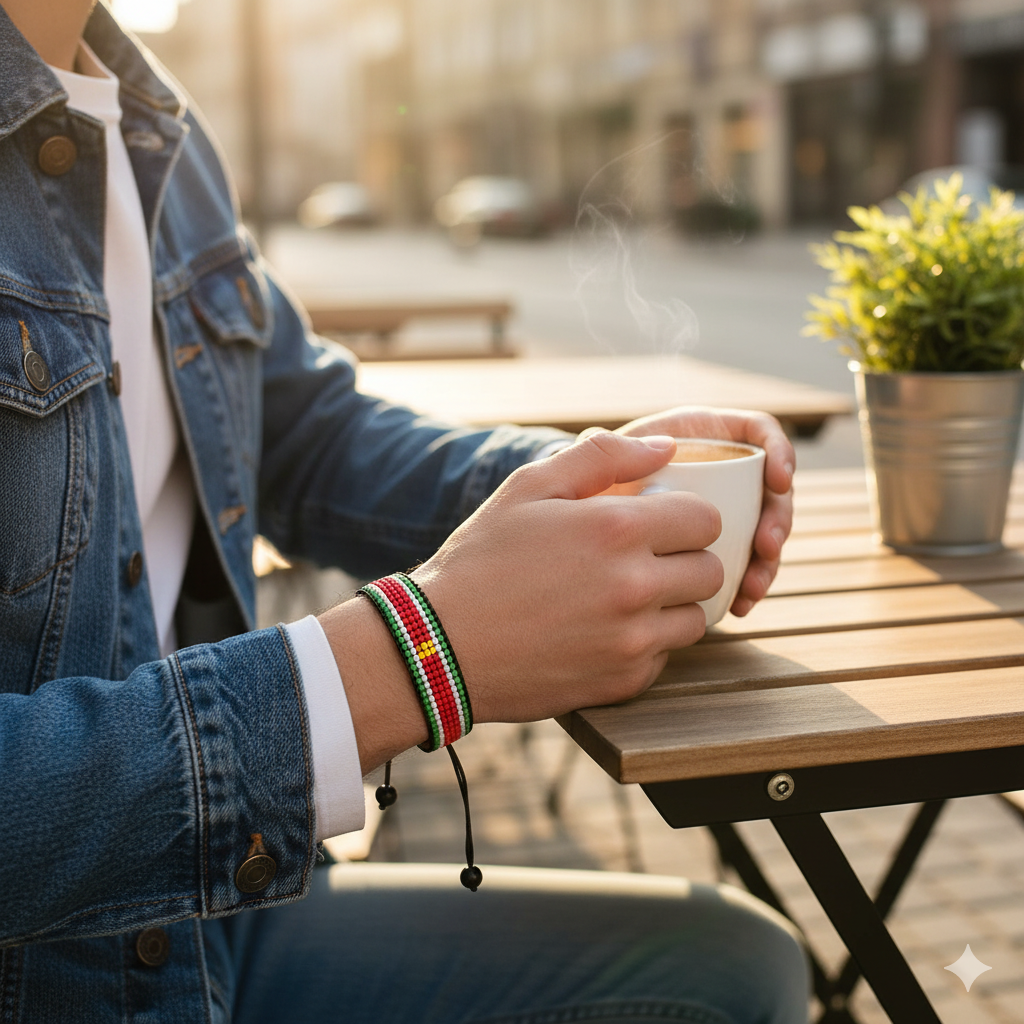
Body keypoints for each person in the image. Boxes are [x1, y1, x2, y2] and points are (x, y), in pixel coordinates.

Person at [0, 1, 807, 1021]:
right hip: (50, 977)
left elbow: (304, 432)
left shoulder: (157, 125)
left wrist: (588, 486)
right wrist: (413, 657)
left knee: (732, 972)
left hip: (221, 925)